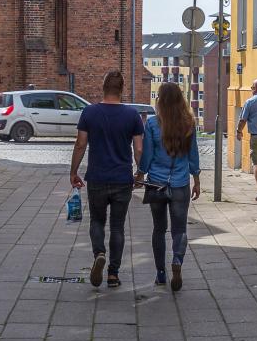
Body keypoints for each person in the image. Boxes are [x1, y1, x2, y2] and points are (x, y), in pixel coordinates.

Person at [70, 71, 143, 288]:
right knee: (118, 227)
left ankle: (99, 253)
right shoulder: (132, 115)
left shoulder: (89, 112)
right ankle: (113, 273)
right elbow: (138, 148)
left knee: (97, 221)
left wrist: (73, 172)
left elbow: (80, 144)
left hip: (97, 178)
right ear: (122, 89)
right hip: (122, 179)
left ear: (103, 88)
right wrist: (140, 172)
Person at [137, 82, 200, 291]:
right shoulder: (189, 122)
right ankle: (178, 261)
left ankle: (161, 273)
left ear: (160, 101)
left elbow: (146, 155)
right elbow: (193, 156)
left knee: (158, 229)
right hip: (180, 183)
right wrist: (196, 179)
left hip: (156, 183)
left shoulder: (153, 123)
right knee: (179, 229)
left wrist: (140, 173)